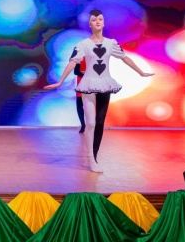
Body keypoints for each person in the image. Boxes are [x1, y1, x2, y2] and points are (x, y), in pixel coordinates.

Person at [45, 9, 154, 173]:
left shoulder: (111, 44)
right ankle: (90, 158)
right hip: (88, 84)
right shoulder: (83, 45)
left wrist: (141, 72)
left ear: (103, 23)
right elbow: (73, 62)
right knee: (91, 123)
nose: (97, 22)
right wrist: (60, 81)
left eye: (100, 19)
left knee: (100, 122)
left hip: (105, 84)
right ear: (89, 24)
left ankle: (94, 158)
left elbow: (125, 58)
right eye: (94, 20)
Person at [74, 58, 86, 133]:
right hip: (81, 82)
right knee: (79, 105)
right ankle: (83, 124)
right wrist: (85, 75)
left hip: (92, 82)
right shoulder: (79, 57)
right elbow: (76, 71)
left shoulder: (94, 56)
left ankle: (92, 124)